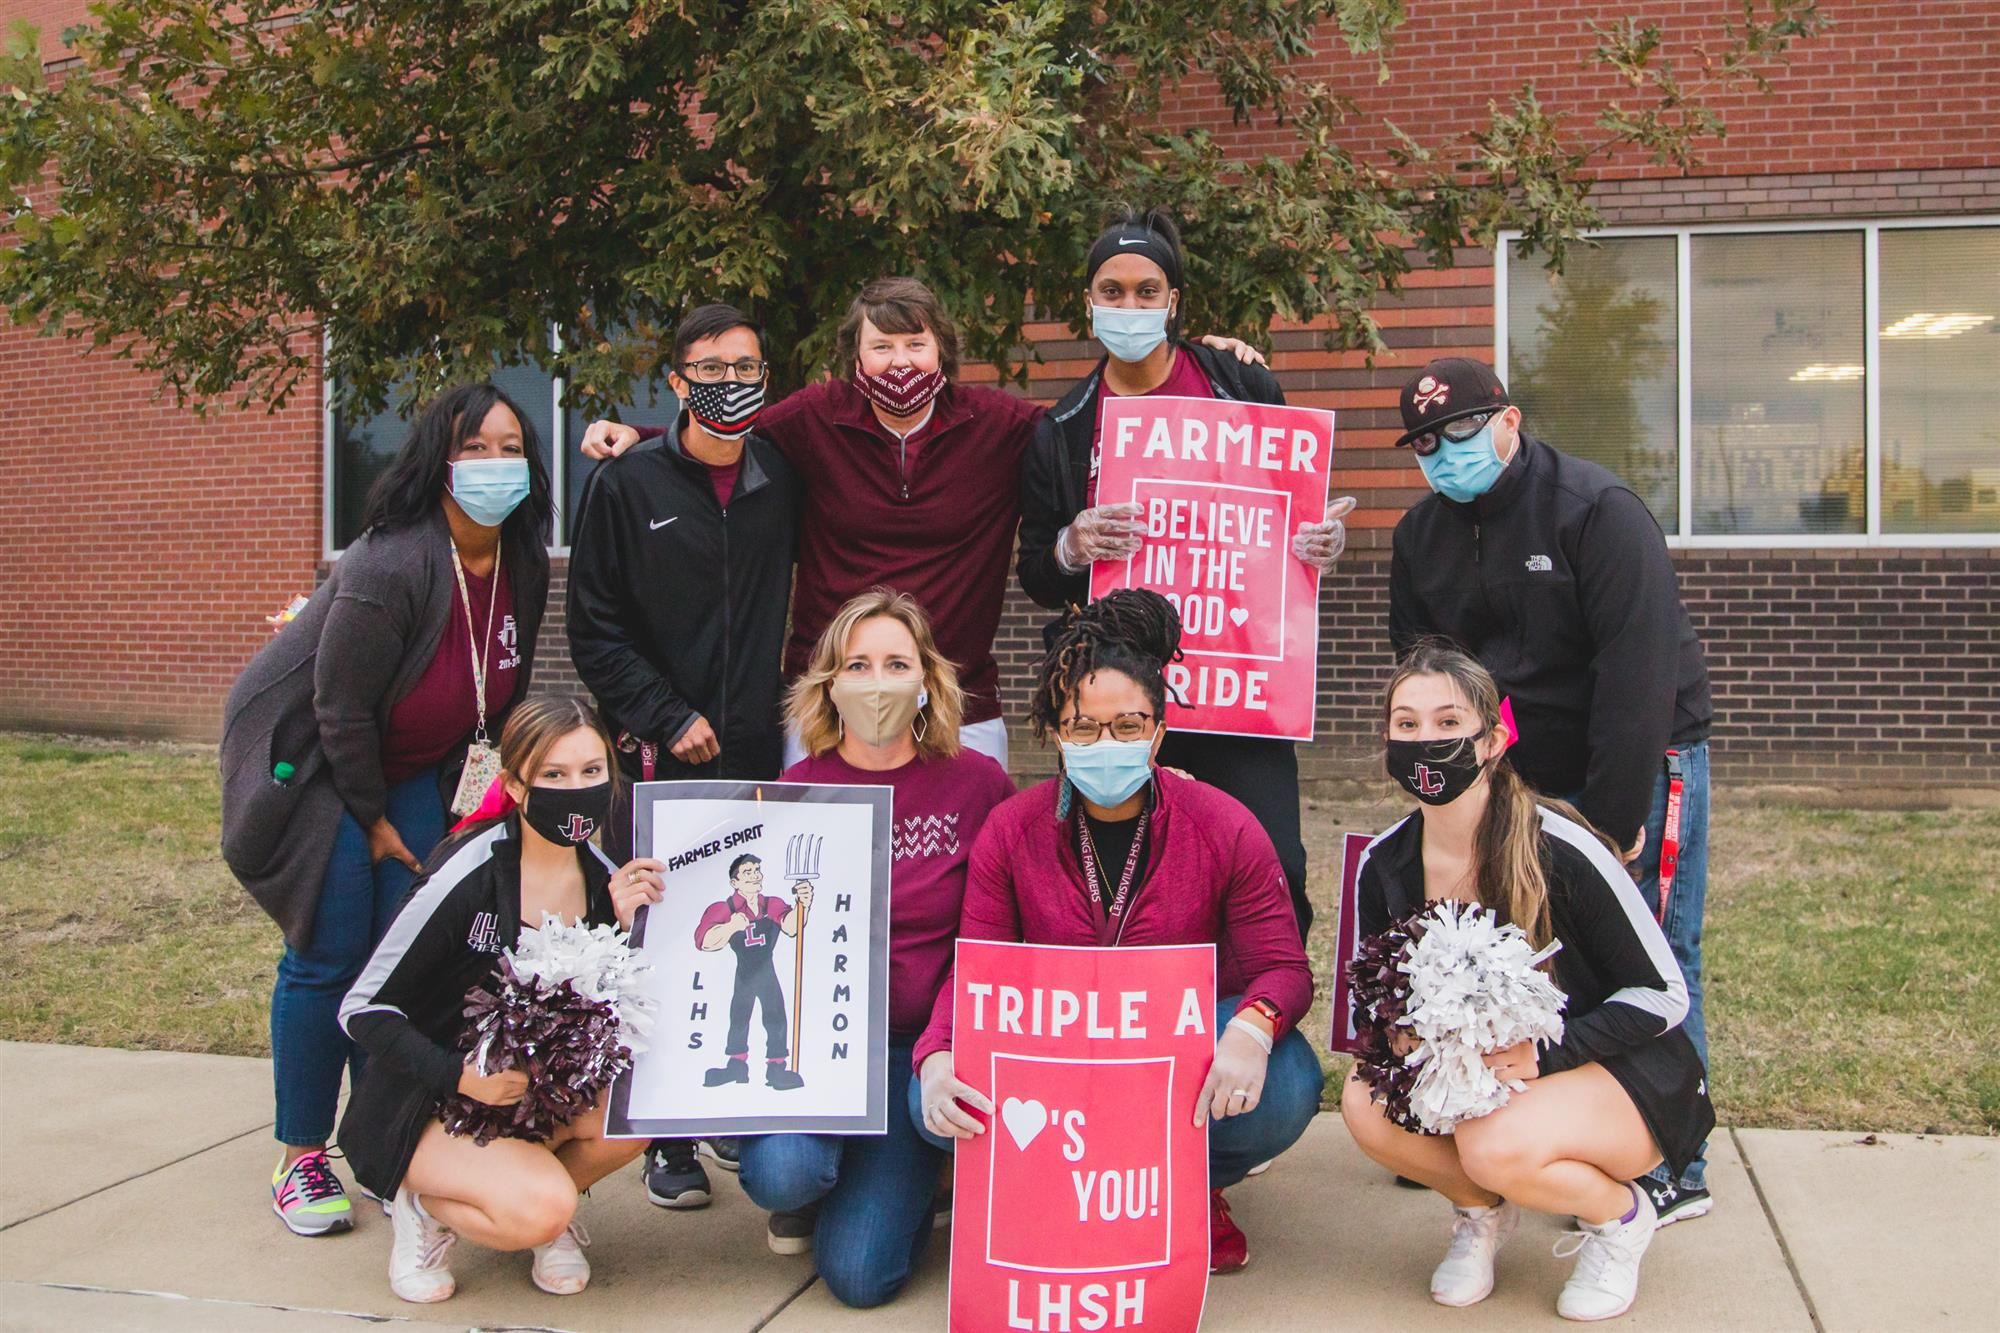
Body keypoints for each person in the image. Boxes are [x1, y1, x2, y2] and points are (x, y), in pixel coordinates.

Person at [578, 277, 1268, 769]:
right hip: (828, 702)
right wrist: (640, 436)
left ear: (943, 351)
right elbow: (727, 432)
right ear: (855, 359)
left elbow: (1100, 420)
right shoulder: (814, 420)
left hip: (961, 704)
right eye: (882, 347)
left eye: (916, 343)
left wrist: (1188, 362)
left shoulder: (1000, 426)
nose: (900, 361)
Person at [1386, 356, 1716, 1221]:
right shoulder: (1420, 535)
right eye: (1424, 440)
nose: (1444, 450)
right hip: (1508, 770)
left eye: (1461, 429)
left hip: (1633, 755)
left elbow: (1638, 671)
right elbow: (1421, 670)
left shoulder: (1595, 512)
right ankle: (1509, 1123)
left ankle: (1676, 1153)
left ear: (1508, 419)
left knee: (1649, 954)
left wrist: (1612, 819)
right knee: (1521, 951)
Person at [220, 383, 552, 1237]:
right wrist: (370, 820)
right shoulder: (388, 561)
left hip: (425, 767)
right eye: (472, 447)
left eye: (509, 446)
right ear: (436, 460)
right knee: (330, 952)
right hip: (324, 771)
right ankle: (300, 1155)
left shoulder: (520, 555)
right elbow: (339, 708)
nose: (493, 463)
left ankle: (380, 1140)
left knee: (403, 957)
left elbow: (495, 695)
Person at [913, 589, 1322, 1274]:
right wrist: (935, 1056)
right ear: (1056, 734)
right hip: (1058, 1051)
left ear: (1160, 732)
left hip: (1170, 1053)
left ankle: (1196, 1187)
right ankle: (1054, 1193)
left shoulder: (1224, 824)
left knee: (1284, 1082)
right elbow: (976, 966)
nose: (1108, 744)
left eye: (1129, 726)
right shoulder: (1012, 830)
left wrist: (1253, 1026)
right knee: (928, 1095)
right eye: (1085, 727)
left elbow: (1282, 966)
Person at [1341, 642, 1713, 1321]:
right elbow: (1369, 997)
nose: (1425, 741)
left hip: (1617, 1069)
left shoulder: (1563, 848)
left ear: (1495, 737)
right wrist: (1399, 1032)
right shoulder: (1383, 861)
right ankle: (1483, 1212)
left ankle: (1622, 1216)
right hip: (1486, 1078)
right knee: (1364, 1101)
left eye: (1448, 723)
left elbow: (1665, 993)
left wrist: (1546, 1053)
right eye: (1407, 723)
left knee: (1493, 1143)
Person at [1015, 208, 1356, 944]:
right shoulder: (1067, 425)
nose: (1130, 307)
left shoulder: (1238, 379)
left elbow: (1287, 504)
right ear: (1088, 302)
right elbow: (1036, 570)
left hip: (1242, 676)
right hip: (1122, 685)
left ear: (1174, 302)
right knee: (1128, 869)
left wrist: (1319, 542)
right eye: (1113, 290)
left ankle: (1268, 1013)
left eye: (1147, 291)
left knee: (1274, 862)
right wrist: (1074, 545)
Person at [564, 301, 801, 1206]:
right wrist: (665, 715)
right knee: (659, 934)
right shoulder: (626, 487)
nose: (730, 384)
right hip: (664, 754)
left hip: (758, 752)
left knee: (745, 932)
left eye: (745, 367)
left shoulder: (782, 475)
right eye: (710, 368)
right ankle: (663, 1135)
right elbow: (594, 628)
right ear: (676, 381)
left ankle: (733, 1107)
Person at [731, 588, 1016, 1303]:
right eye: (858, 664)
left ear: (928, 680)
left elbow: (1003, 924)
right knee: (781, 1175)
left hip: (921, 1048)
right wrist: (654, 895)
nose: (878, 681)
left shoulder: (977, 787)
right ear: (828, 684)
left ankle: (920, 1169)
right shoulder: (794, 791)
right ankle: (832, 1171)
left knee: (860, 1277)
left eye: (897, 662)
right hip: (820, 1048)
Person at [335, 696, 660, 1303]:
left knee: (637, 1114)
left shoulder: (601, 873)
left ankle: (532, 1205)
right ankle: (424, 1208)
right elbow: (361, 1009)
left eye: (592, 772)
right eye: (554, 776)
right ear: (514, 784)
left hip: (527, 1096)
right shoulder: (467, 872)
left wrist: (620, 925)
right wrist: (459, 1076)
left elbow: (592, 1011)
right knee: (542, 1207)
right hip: (430, 1101)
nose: (578, 789)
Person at [695, 852, 813, 1089]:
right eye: (747, 872)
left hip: (766, 969)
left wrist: (803, 905)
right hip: (745, 972)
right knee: (739, 1015)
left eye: (757, 870)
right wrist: (730, 927)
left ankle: (776, 1067)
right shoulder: (724, 908)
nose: (755, 876)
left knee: (775, 1014)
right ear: (734, 882)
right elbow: (704, 941)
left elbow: (792, 927)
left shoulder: (771, 904)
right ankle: (736, 1066)